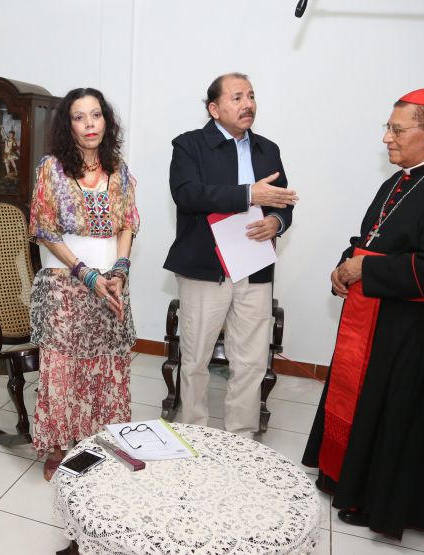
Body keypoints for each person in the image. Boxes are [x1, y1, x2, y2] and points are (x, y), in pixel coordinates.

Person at [302, 87, 424, 539]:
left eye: (396, 129)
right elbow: (371, 238)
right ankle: (342, 478)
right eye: (389, 127)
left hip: (410, 327)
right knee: (361, 404)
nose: (387, 138)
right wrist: (346, 265)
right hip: (374, 315)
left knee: (392, 413)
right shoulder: (400, 179)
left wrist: (366, 268)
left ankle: (375, 501)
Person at [164, 72, 297, 436]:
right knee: (195, 359)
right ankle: (193, 431)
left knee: (252, 360)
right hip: (206, 267)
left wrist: (277, 223)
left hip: (254, 266)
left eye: (251, 96)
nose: (247, 104)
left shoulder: (268, 149)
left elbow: (283, 203)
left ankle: (240, 438)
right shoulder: (189, 145)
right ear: (214, 108)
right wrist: (248, 195)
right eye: (237, 97)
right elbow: (188, 194)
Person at [29, 87, 140, 481]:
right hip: (64, 283)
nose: (90, 123)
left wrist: (119, 271)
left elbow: (128, 223)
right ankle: (59, 448)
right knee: (62, 369)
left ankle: (101, 440)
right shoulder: (51, 168)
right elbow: (43, 229)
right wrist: (86, 274)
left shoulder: (119, 170)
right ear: (68, 124)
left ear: (106, 121)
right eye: (80, 116)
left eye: (96, 115)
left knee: (107, 365)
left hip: (112, 283)